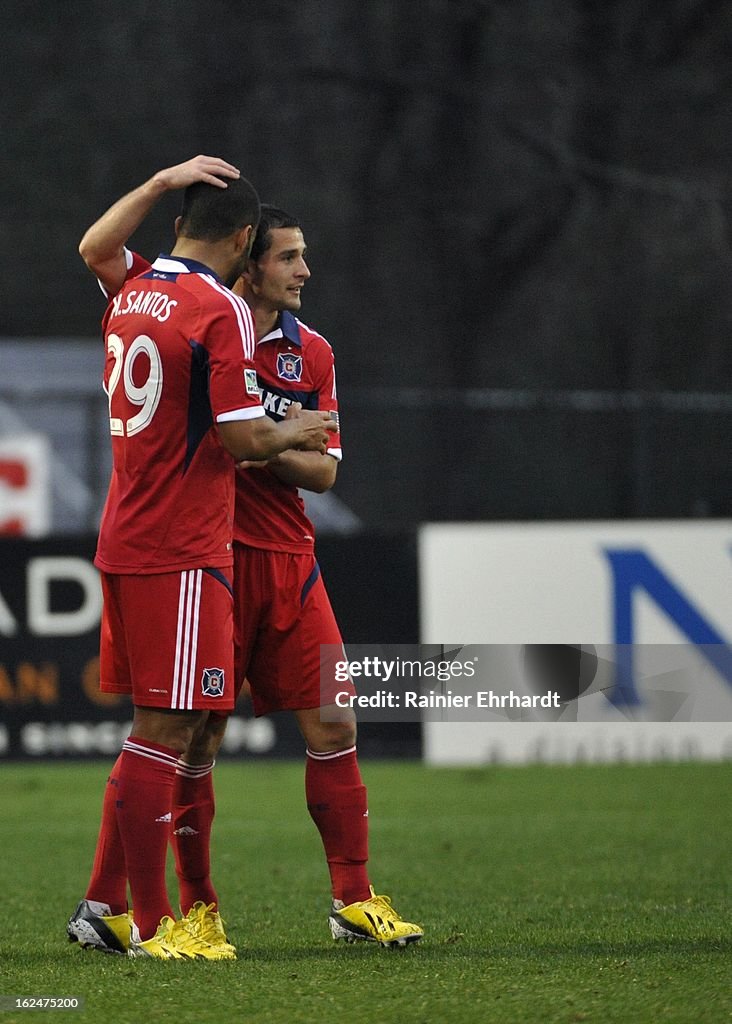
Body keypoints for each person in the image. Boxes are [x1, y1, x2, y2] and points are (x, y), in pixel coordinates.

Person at [77, 158, 423, 948]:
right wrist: (270, 436)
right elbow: (232, 438)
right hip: (208, 555)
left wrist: (273, 446)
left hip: (287, 559)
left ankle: (353, 899)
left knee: (333, 720)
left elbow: (325, 471)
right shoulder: (205, 315)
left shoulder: (313, 353)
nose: (305, 270)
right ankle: (173, 904)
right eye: (289, 256)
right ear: (248, 257)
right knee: (183, 731)